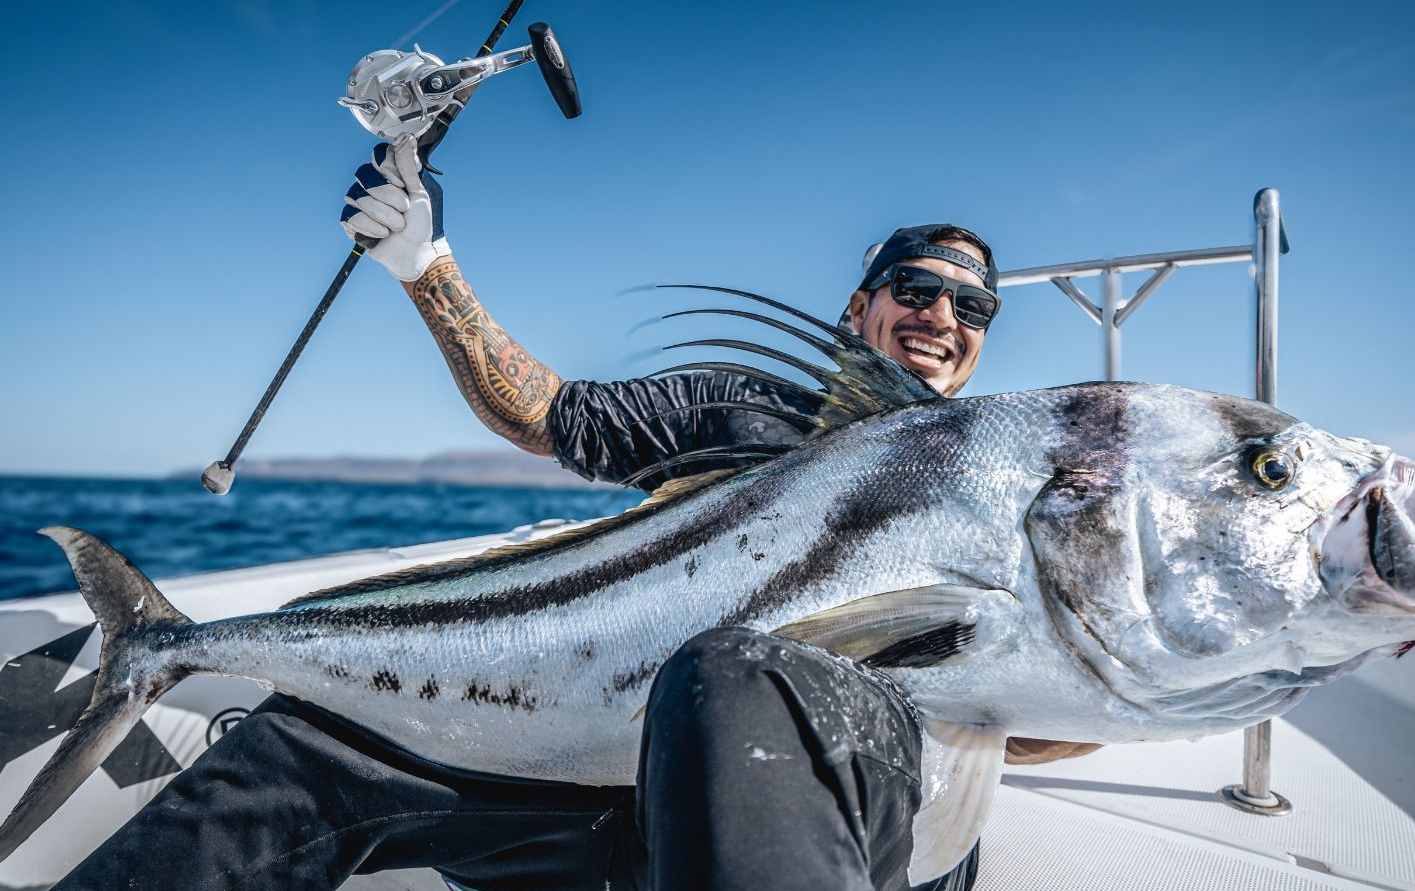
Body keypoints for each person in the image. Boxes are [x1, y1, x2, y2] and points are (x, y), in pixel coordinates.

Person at [51, 136, 1094, 891]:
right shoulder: (740, 407)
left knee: (735, 694)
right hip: (598, 777)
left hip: (844, 813)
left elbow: (1047, 711)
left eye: (973, 307)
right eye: (914, 288)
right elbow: (552, 414)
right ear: (855, 308)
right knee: (301, 750)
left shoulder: (1009, 483)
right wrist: (423, 266)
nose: (941, 317)